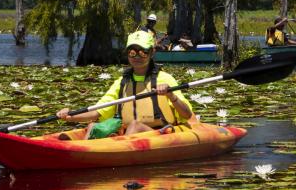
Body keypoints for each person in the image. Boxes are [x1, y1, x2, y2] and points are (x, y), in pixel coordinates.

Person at [55, 31, 193, 139]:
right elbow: (96, 112)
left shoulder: (165, 79)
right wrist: (69, 115)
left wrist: (171, 95)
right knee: (93, 126)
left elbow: (186, 115)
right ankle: (84, 155)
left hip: (159, 133)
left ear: (152, 52)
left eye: (142, 52)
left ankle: (115, 154)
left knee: (135, 126)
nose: (137, 57)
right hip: (128, 134)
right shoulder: (122, 82)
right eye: (132, 52)